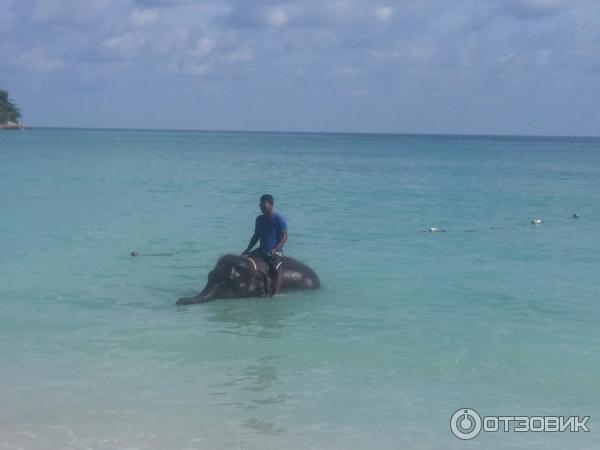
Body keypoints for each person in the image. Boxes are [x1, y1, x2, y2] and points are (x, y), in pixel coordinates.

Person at [242, 194, 288, 295]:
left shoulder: (279, 218)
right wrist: (247, 249)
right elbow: (256, 236)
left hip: (275, 251)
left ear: (271, 205)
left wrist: (276, 249)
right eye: (260, 205)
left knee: (275, 269)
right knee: (242, 259)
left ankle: (275, 294)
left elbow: (285, 236)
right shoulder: (259, 219)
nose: (261, 207)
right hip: (262, 249)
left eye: (264, 205)